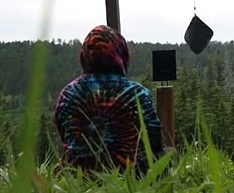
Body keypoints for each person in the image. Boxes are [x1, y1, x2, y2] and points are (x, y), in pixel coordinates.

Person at [51, 25, 164, 177]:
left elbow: (66, 138)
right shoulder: (137, 93)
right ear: (121, 54)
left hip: (77, 175)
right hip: (129, 174)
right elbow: (155, 141)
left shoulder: (67, 94)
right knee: (168, 154)